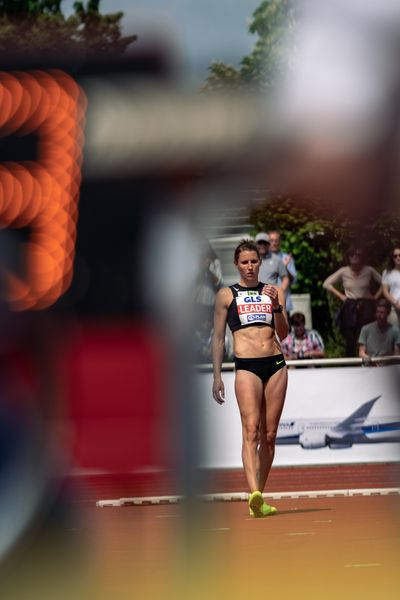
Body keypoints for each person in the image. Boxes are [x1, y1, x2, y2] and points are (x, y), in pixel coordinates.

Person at [212, 239, 289, 518]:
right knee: (251, 431)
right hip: (246, 366)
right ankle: (253, 491)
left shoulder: (273, 291)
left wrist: (276, 305)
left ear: (260, 262)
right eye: (244, 262)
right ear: (236, 264)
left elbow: (285, 332)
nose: (249, 266)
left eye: (254, 261)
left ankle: (260, 497)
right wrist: (217, 375)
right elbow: (219, 339)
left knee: (269, 435)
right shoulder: (226, 295)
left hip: (276, 363)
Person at [323, 246, 382, 357]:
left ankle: (369, 360)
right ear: (348, 257)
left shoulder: (368, 270)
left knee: (367, 335)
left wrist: (376, 297)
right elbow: (326, 284)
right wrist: (341, 296)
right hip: (350, 306)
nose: (355, 257)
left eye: (358, 255)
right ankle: (350, 364)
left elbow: (384, 282)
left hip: (366, 305)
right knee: (350, 338)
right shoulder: (344, 271)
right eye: (352, 255)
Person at [268, 229, 298, 315]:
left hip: (284, 304)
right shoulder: (261, 259)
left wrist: (284, 268)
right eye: (271, 240)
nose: (274, 243)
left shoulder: (286, 258)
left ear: (280, 242)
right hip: (267, 306)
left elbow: (293, 281)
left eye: (276, 240)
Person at [382, 246, 400, 326]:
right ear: (392, 258)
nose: (398, 258)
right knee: (394, 335)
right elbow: (385, 291)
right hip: (393, 308)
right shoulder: (387, 272)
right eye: (395, 256)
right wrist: (396, 304)